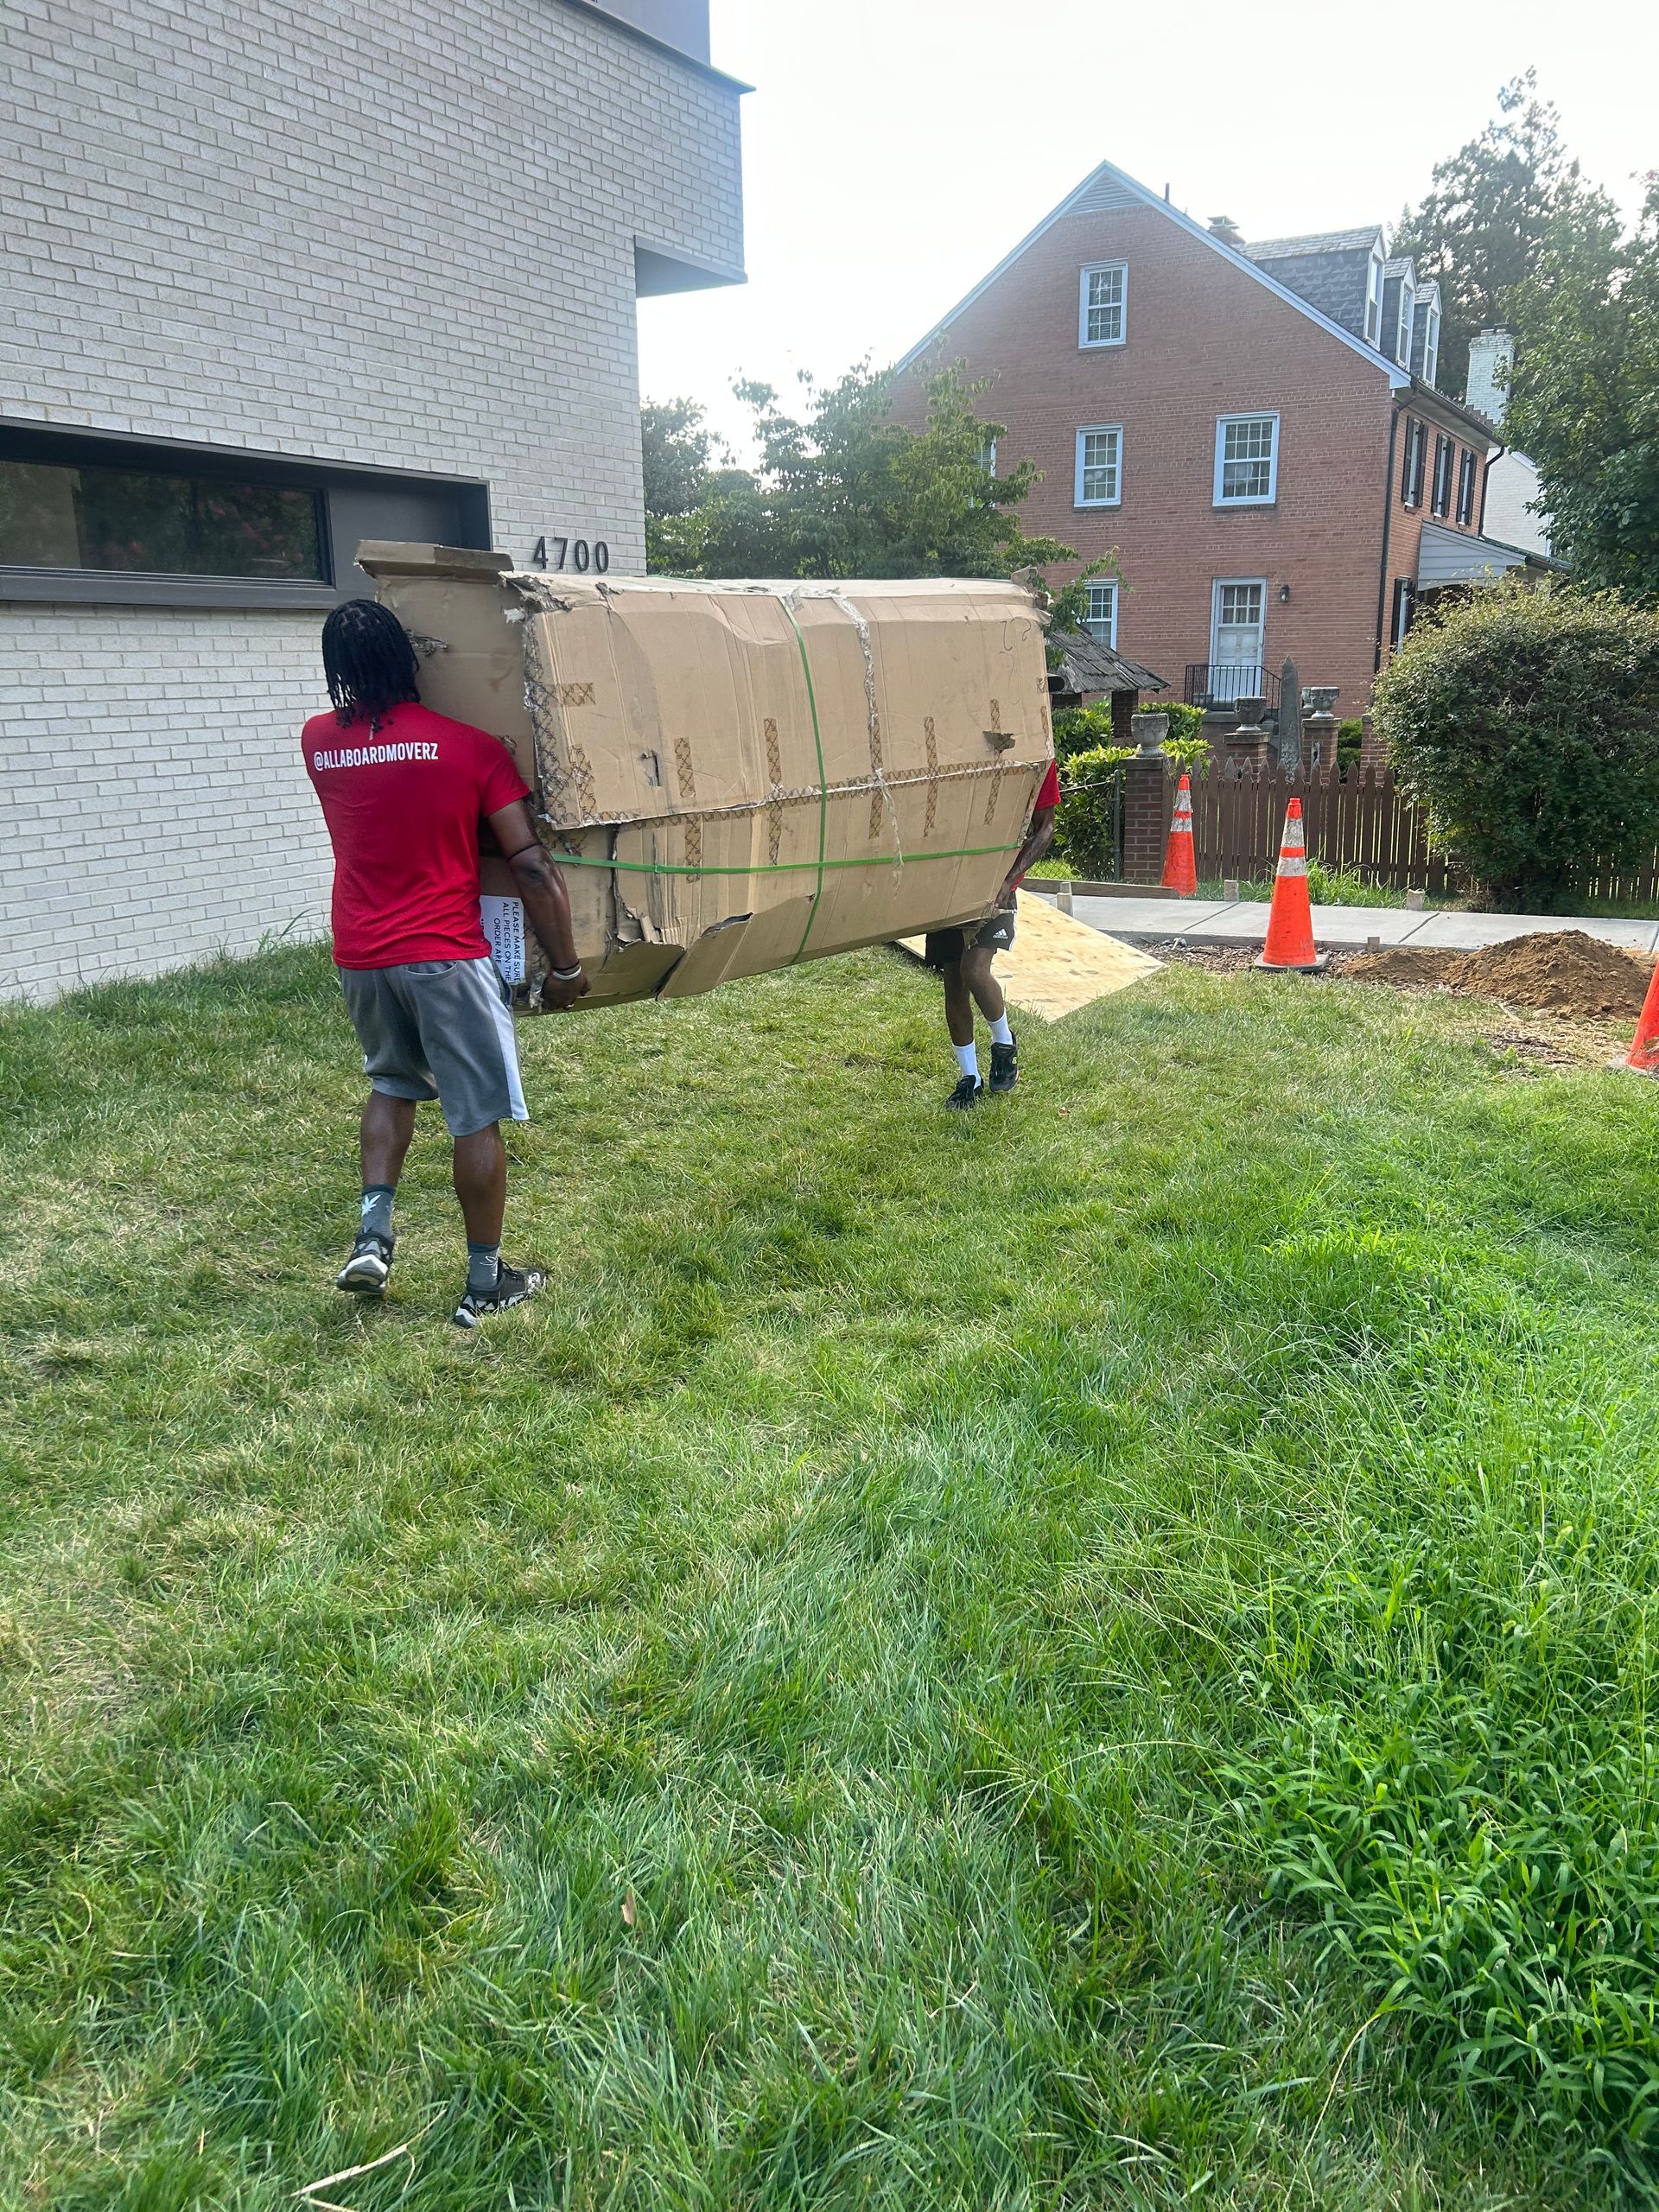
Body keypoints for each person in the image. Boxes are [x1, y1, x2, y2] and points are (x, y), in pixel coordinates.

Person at [303, 598, 589, 1327]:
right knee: (477, 1116)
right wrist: (563, 967)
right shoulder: (468, 748)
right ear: (410, 661)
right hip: (445, 955)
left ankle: (374, 1236)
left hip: (362, 954)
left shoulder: (317, 743)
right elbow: (528, 866)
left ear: (338, 671)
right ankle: (484, 1282)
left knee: (391, 1084)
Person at [923, 757, 1060, 1109]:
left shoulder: (1039, 759)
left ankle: (1004, 1043)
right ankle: (970, 1078)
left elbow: (1045, 828)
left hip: (997, 882)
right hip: (947, 882)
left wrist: (1008, 881)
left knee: (974, 969)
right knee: (954, 980)